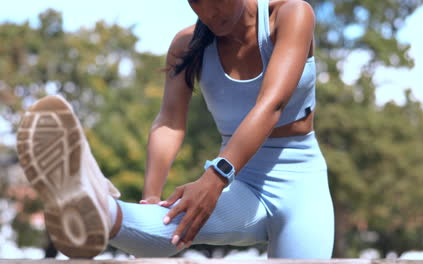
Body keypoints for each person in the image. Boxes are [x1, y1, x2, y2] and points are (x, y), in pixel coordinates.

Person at [16, 0, 334, 259]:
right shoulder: (187, 45)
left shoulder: (291, 14)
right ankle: (95, 205)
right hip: (243, 184)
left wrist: (215, 177)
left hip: (301, 186)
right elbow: (169, 121)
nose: (208, 12)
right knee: (170, 225)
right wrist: (152, 196)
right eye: (196, 1)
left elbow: (272, 104)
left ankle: (93, 197)